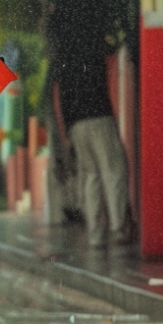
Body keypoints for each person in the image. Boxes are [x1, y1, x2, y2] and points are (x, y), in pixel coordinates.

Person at [55, 35, 133, 247]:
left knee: (90, 176)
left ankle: (95, 234)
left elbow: (63, 97)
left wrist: (68, 132)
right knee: (113, 170)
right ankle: (117, 228)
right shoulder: (92, 48)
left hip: (77, 125)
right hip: (99, 117)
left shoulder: (64, 59)